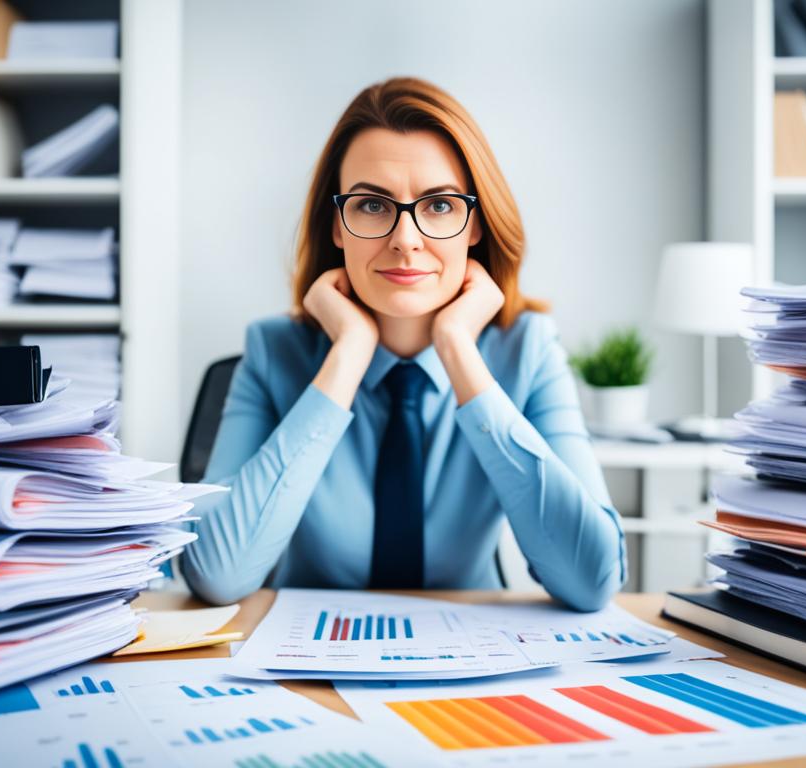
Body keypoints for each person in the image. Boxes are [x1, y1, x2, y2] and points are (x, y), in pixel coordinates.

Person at [181, 77, 626, 610]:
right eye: (372, 205)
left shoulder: (526, 348)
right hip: (308, 659)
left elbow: (594, 581)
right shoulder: (274, 350)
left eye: (439, 206)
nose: (405, 239)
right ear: (337, 226)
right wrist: (347, 355)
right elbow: (215, 574)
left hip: (476, 656)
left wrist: (458, 350)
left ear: (476, 224)